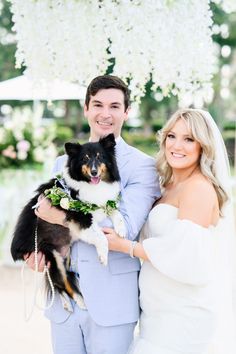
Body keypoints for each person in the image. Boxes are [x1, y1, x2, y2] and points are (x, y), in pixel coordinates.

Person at [25, 75, 160, 354]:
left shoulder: (143, 167)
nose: (105, 114)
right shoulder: (62, 163)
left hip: (111, 304)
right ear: (86, 108)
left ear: (126, 112)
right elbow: (45, 224)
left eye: (114, 106)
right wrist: (37, 252)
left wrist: (59, 216)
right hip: (62, 298)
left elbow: (123, 228)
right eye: (97, 104)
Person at [103, 108, 236, 354]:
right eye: (172, 136)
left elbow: (186, 256)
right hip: (158, 311)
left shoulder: (198, 188)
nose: (177, 145)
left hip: (183, 312)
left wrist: (127, 247)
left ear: (203, 147)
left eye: (189, 139)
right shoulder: (168, 185)